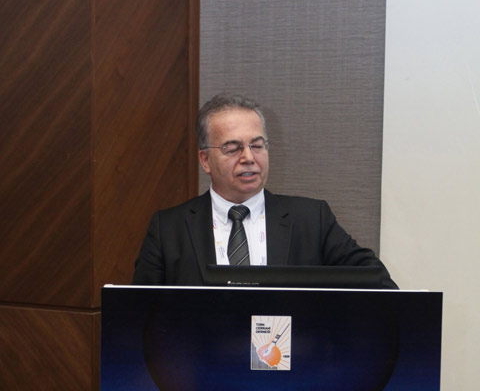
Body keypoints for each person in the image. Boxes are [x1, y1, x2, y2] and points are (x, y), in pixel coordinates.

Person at [133, 93, 396, 288]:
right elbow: (140, 315)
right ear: (205, 161)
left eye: (257, 146)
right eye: (232, 148)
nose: (248, 157)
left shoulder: (312, 219)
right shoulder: (168, 229)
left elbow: (377, 282)